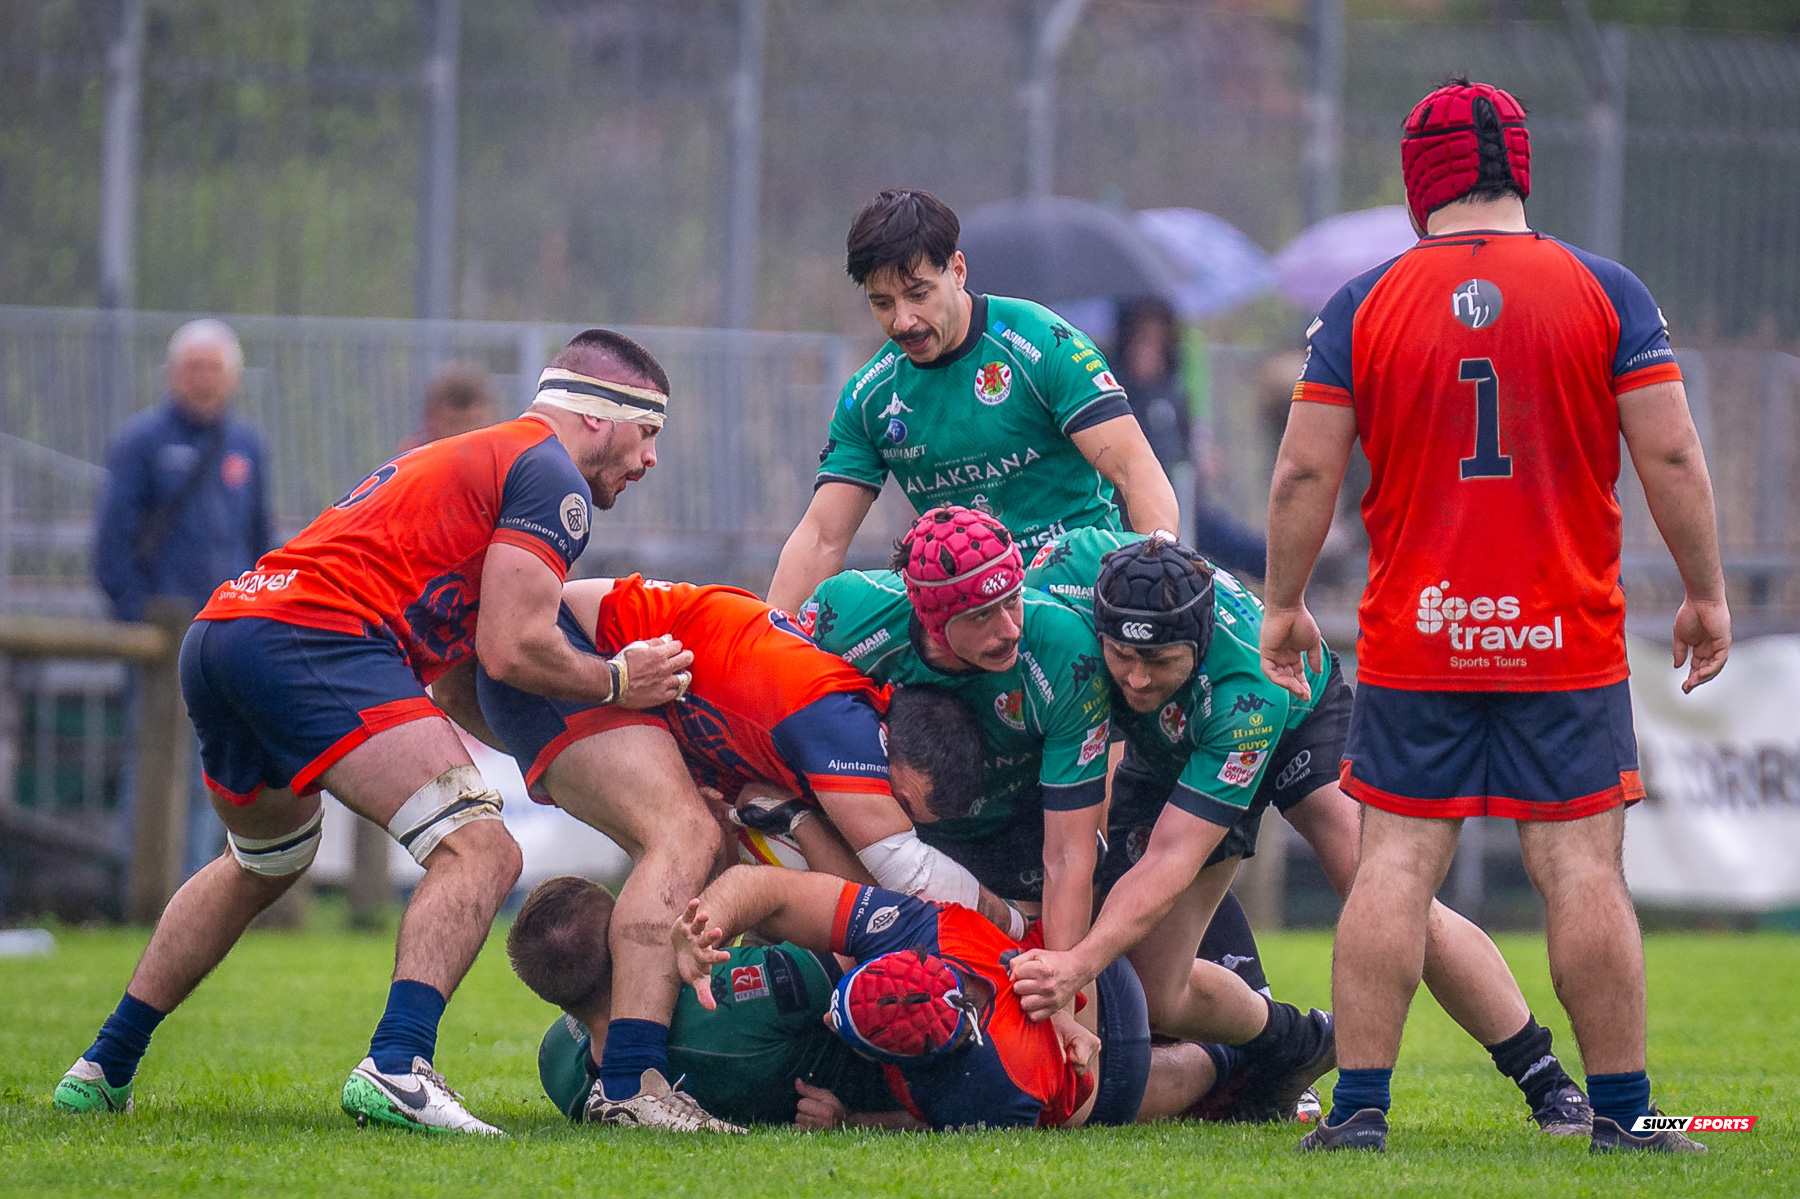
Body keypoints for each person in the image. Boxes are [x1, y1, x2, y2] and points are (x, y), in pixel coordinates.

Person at [52, 328, 694, 1137]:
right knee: (483, 850)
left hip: (225, 630)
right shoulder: (552, 476)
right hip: (310, 638)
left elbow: (461, 676)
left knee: (264, 858)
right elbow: (515, 644)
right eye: (650, 433)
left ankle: (102, 1067)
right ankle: (398, 1063)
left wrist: (549, 760)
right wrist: (617, 681)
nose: (651, 460)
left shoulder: (488, 460)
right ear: (601, 417)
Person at [1262, 80, 1729, 1154]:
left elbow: (1301, 473)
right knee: (1581, 869)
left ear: (1419, 181)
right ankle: (1621, 1116)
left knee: (1392, 865)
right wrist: (1705, 589)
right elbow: (1669, 451)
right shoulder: (1606, 290)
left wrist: (1284, 604)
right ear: (1520, 166)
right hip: (1561, 636)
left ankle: (1359, 1113)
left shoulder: (1360, 304)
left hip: (1419, 634)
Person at [1018, 527, 1593, 1132]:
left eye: (1159, 662)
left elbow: (1170, 860)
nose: (1135, 678)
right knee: (1159, 993)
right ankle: (1298, 1041)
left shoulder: (1249, 687)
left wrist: (1076, 964)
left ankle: (1545, 1077)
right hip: (1165, 748)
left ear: (1198, 640)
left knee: (1382, 891)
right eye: (1121, 656)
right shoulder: (1067, 570)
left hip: (1296, 714)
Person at [444, 573, 1039, 1128]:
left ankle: (625, 1066)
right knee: (684, 841)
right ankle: (633, 1082)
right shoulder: (839, 724)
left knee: (691, 849)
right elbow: (890, 896)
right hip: (565, 654)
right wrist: (1019, 925)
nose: (890, 821)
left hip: (526, 661)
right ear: (886, 747)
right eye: (901, 806)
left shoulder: (558, 1064)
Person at [766, 188, 1180, 613]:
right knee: (842, 607)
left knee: (1066, 566)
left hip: (1068, 583)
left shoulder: (1042, 344)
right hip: (962, 604)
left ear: (958, 270)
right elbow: (821, 538)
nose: (903, 319)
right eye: (882, 303)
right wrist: (766, 638)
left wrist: (1161, 567)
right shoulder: (871, 395)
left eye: (919, 294)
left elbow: (1135, 468)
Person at [673, 865, 1242, 1131]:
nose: (826, 1014)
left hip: (1101, 1081)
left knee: (1200, 1074)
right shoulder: (928, 932)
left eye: (845, 1027)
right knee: (1178, 999)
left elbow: (920, 1125)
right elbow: (770, 888)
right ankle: (1263, 1034)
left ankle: (1234, 1059)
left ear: (908, 1063)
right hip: (1106, 977)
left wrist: (853, 1119)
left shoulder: (986, 1091)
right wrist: (706, 926)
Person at [800, 506, 1111, 959]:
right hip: (898, 824)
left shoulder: (1064, 651)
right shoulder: (847, 614)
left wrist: (1063, 984)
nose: (1009, 630)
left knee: (1089, 981)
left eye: (1013, 599)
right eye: (982, 615)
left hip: (1019, 830)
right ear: (931, 620)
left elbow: (1068, 855)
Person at [508, 875, 903, 1129]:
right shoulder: (722, 994)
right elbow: (866, 941)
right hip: (900, 1085)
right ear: (623, 942)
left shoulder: (557, 1062)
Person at [93, 319, 272, 876]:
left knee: (214, 771)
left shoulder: (247, 446)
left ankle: (194, 888)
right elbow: (111, 547)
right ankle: (141, 892)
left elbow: (260, 540)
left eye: (214, 369)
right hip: (161, 640)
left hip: (227, 641)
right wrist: (139, 622)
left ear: (233, 379)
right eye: (193, 368)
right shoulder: (140, 443)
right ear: (172, 375)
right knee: (150, 765)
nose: (203, 381)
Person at [398, 362, 500, 453]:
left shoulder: (502, 454)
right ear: (431, 417)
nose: (463, 432)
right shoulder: (413, 455)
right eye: (454, 423)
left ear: (491, 414)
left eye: (473, 421)